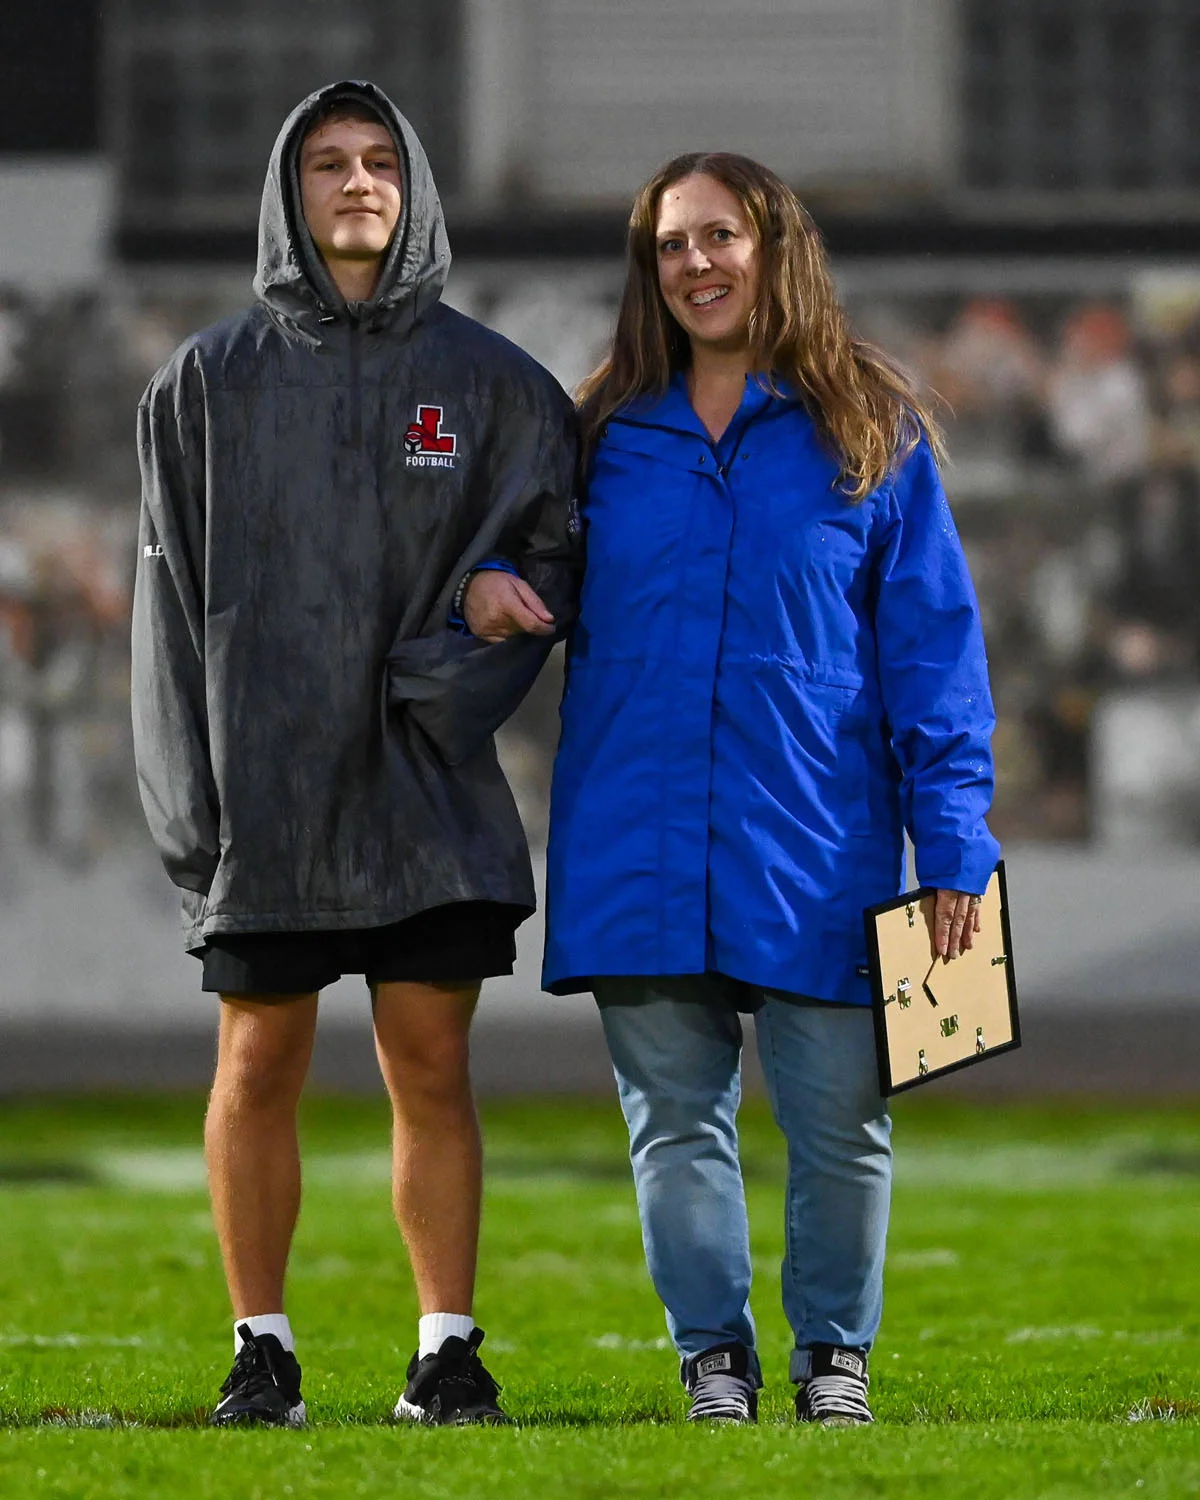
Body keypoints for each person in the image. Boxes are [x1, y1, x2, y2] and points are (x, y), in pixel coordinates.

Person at [131, 80, 579, 1428]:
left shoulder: (496, 384)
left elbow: (548, 562)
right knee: (255, 1067)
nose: (357, 183)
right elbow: (163, 603)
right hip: (263, 789)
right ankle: (259, 1349)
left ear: (417, 188)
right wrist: (185, 801)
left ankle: (447, 1350)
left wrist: (446, 669)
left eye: (382, 161)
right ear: (287, 193)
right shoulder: (204, 383)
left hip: (428, 793)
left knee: (430, 1068)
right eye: (326, 164)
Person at [540, 154, 1001, 1425]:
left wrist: (955, 845)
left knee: (842, 1127)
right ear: (651, 271)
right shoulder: (595, 437)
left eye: (721, 236)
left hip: (821, 848)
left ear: (773, 247)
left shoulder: (872, 428)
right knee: (672, 1127)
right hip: (634, 840)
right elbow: (511, 582)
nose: (697, 263)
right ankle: (713, 1363)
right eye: (672, 244)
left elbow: (935, 660)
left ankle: (833, 1360)